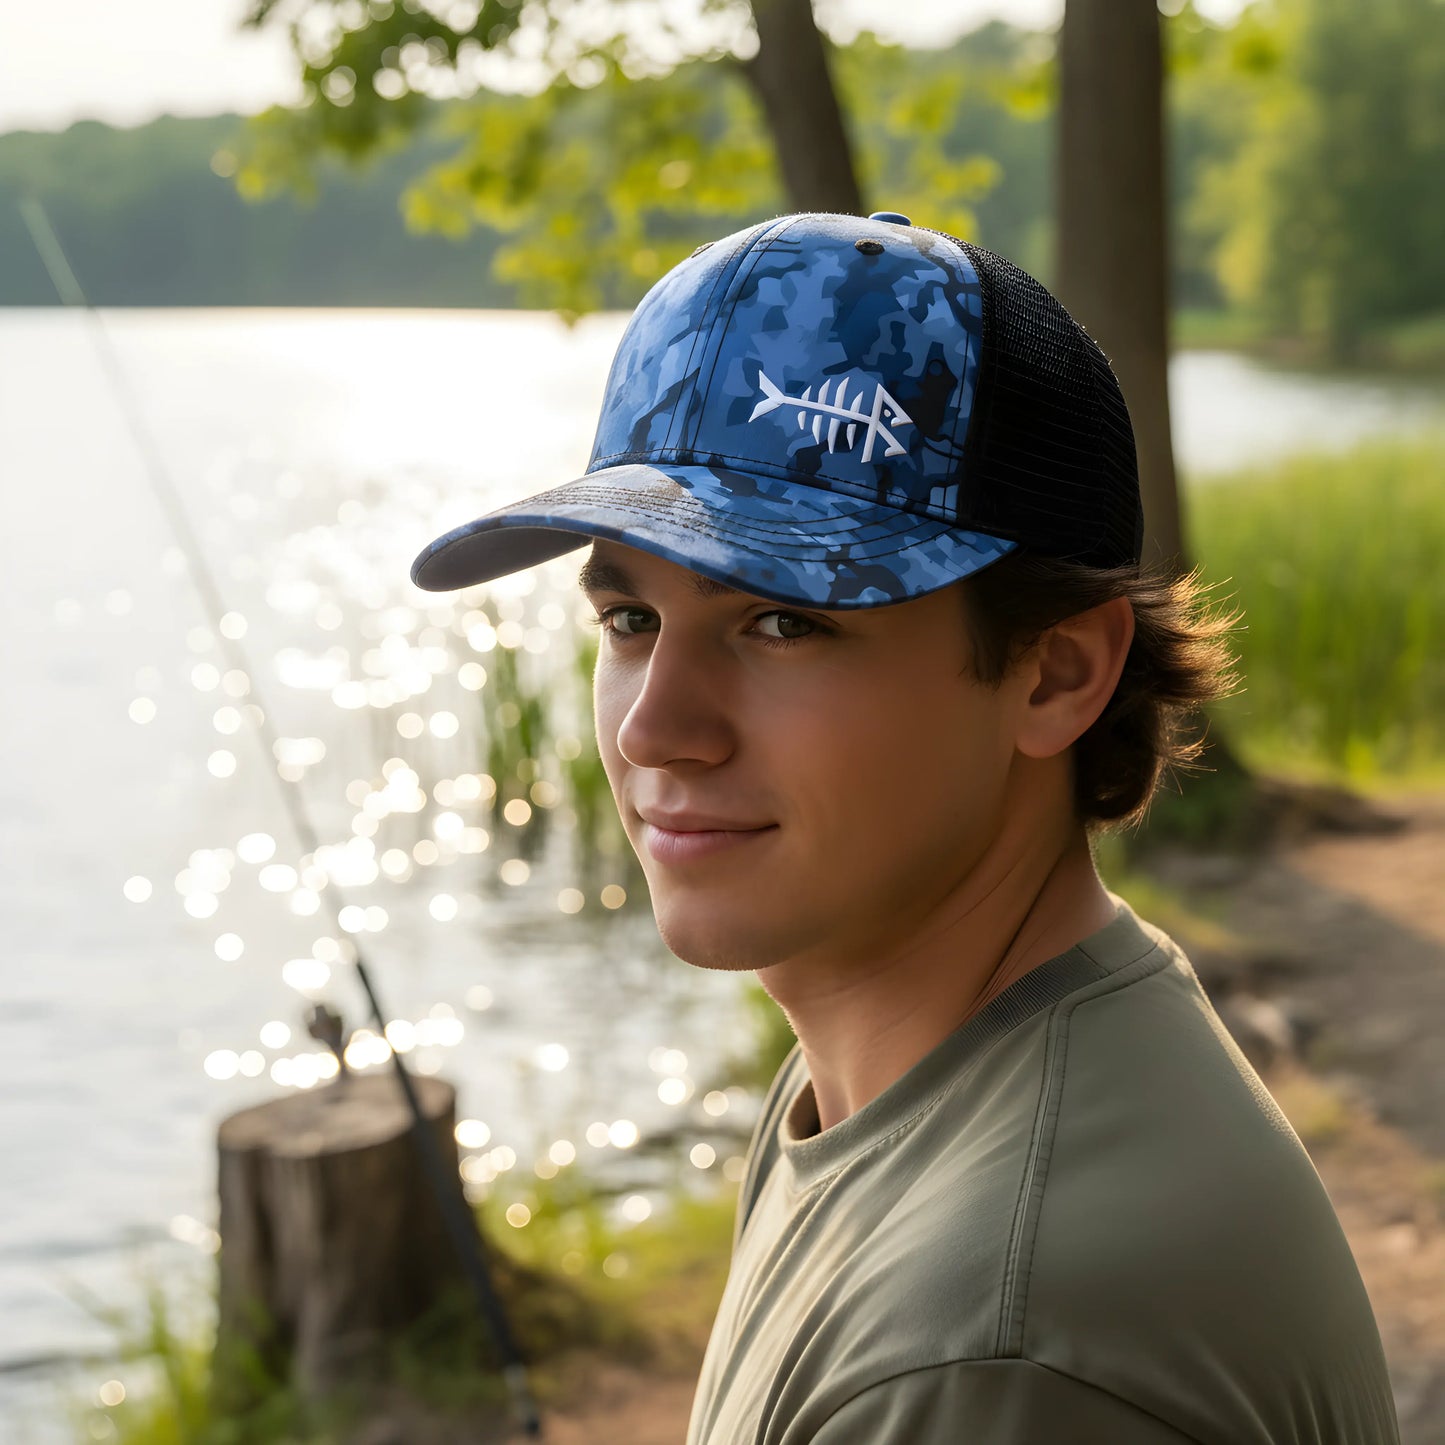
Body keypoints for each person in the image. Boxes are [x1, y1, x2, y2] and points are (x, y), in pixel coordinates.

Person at [410, 212, 1400, 1443]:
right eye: (630, 621)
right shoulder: (894, 1072)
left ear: (1053, 673)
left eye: (782, 622)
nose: (653, 729)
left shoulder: (990, 1348)